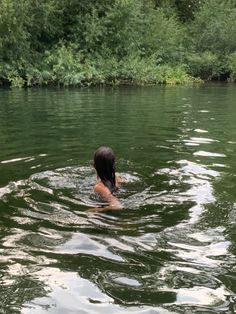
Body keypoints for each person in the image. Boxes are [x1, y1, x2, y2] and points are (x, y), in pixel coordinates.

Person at [90, 146, 123, 212]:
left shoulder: (99, 187)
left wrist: (96, 210)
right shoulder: (117, 178)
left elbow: (118, 206)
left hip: (106, 213)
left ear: (94, 165)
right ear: (113, 164)